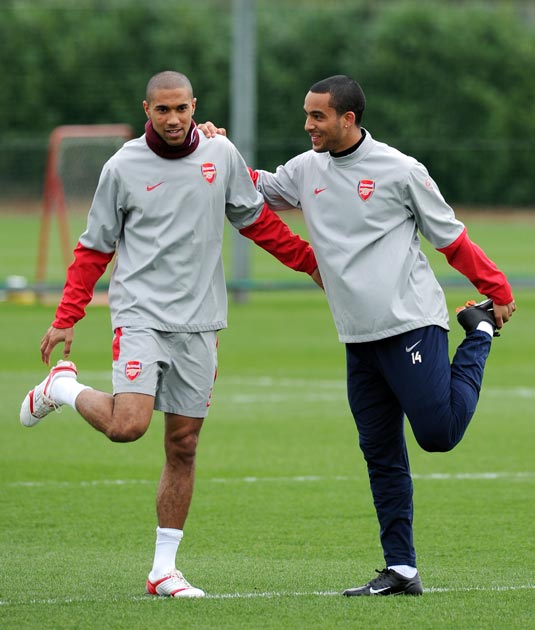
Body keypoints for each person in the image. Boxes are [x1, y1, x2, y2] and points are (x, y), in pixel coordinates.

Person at [20, 70, 322, 598]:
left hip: (201, 322)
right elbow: (94, 248)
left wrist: (309, 262)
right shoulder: (122, 167)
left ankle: (163, 569)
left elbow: (256, 222)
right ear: (147, 110)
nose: (175, 119)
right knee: (127, 426)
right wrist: (69, 314)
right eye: (164, 110)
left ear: (193, 105)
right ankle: (61, 388)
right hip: (139, 315)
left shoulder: (221, 156)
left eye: (182, 108)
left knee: (183, 444)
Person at [242, 75, 516, 596]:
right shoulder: (305, 169)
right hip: (356, 338)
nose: (308, 125)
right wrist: (212, 148)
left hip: (411, 322)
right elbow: (255, 185)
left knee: (437, 435)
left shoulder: (400, 169)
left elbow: (450, 237)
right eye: (306, 114)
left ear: (348, 118)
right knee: (381, 453)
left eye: (317, 116)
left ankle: (475, 333)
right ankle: (402, 569)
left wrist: (495, 289)